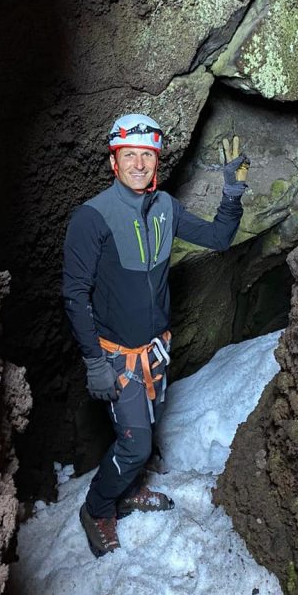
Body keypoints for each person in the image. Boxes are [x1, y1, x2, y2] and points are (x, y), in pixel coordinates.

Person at [62, 112, 249, 557]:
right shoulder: (92, 218)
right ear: (114, 162)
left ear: (156, 160)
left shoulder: (165, 207)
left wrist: (232, 193)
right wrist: (93, 360)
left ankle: (128, 490)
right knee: (136, 442)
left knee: (145, 428)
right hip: (116, 356)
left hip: (156, 350)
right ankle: (98, 507)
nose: (139, 164)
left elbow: (220, 238)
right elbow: (74, 293)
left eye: (147, 155)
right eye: (130, 155)